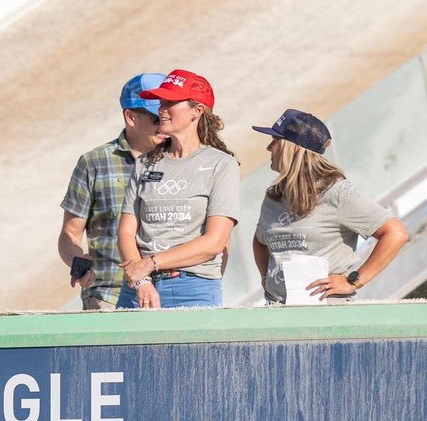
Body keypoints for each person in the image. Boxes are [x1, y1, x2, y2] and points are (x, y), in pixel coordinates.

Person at [251, 109, 408, 303]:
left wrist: (354, 282)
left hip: (327, 314)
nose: (268, 148)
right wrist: (266, 279)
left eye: (275, 141)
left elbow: (396, 234)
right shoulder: (273, 196)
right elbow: (259, 241)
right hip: (276, 311)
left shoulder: (338, 192)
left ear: (294, 148)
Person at [117, 69, 239, 309]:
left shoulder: (221, 164)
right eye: (161, 101)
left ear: (197, 111)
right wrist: (142, 280)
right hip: (139, 288)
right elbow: (126, 232)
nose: (162, 108)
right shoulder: (144, 163)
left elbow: (215, 242)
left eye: (171, 102)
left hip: (193, 288)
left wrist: (151, 263)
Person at [58, 73, 167, 310]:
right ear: (131, 116)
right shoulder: (94, 162)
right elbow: (70, 233)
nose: (165, 123)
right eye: (156, 117)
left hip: (171, 293)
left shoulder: (184, 161)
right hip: (110, 296)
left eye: (169, 113)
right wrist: (78, 264)